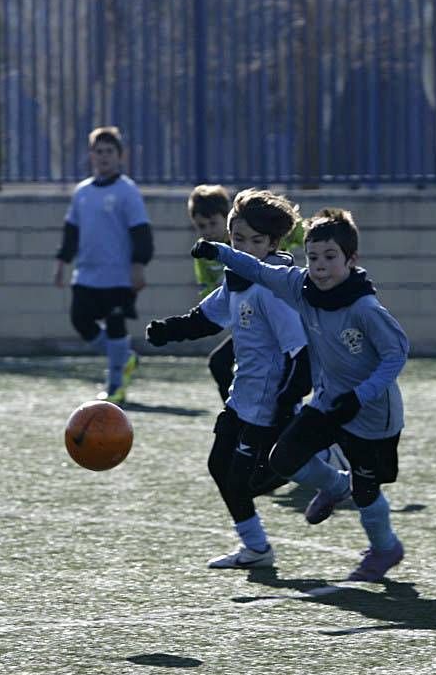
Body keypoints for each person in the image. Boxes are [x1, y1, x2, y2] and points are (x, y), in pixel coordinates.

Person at [191, 207, 409, 582]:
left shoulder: (365, 307)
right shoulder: (299, 285)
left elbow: (396, 353)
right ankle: (333, 485)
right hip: (327, 402)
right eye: (313, 257)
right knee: (284, 457)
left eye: (330, 258)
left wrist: (361, 395)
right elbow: (259, 270)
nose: (320, 266)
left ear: (351, 259)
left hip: (370, 413)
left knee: (368, 487)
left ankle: (385, 548)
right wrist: (219, 252)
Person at [147, 189, 312, 569]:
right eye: (238, 239)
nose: (245, 247)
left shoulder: (273, 289)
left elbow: (300, 353)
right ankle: (256, 549)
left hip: (268, 405)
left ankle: (329, 476)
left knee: (248, 480)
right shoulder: (236, 279)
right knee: (219, 467)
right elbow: (206, 318)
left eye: (256, 241)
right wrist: (167, 331)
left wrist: (287, 402)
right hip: (242, 399)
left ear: (273, 244)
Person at [53, 126, 153, 404]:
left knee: (116, 324)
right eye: (99, 151)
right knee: (80, 320)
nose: (104, 156)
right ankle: (125, 357)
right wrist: (62, 261)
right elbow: (71, 231)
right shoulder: (82, 192)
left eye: (110, 151)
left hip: (119, 276)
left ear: (120, 156)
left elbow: (141, 232)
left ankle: (115, 385)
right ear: (91, 155)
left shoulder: (127, 191)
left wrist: (138, 265)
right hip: (86, 273)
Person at [187, 185, 235, 402]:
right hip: (246, 323)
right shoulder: (204, 252)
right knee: (219, 364)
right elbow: (208, 289)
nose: (208, 231)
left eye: (213, 223)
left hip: (270, 323)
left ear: (228, 218)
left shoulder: (244, 241)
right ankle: (235, 415)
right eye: (201, 226)